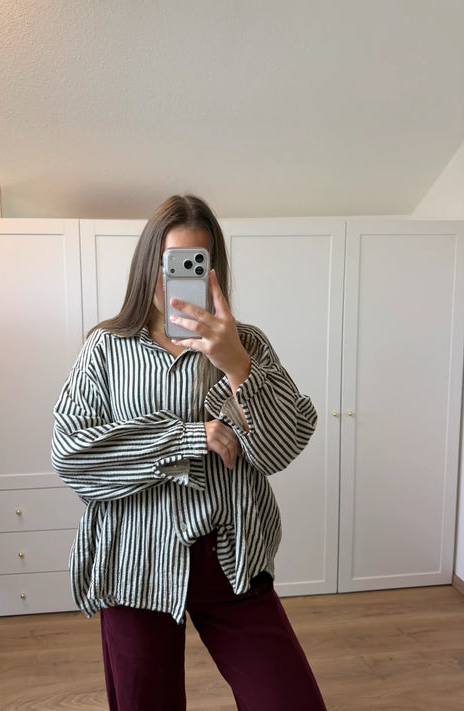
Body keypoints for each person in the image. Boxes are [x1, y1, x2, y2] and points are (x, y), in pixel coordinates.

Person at [51, 195, 327, 711]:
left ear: (211, 272)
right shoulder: (106, 348)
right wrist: (187, 437)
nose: (173, 279)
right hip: (136, 562)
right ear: (146, 265)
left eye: (191, 264)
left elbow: (281, 448)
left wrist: (237, 366)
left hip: (232, 559)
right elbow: (71, 454)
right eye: (166, 263)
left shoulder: (247, 345)